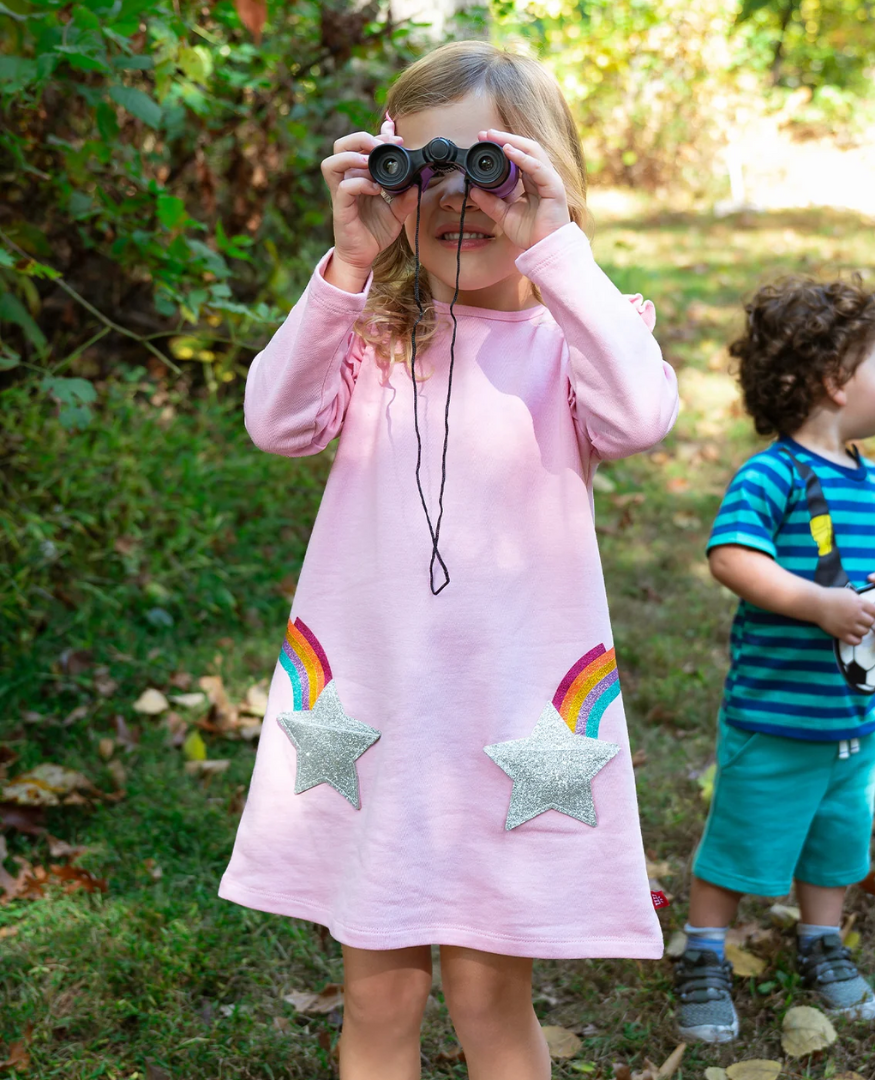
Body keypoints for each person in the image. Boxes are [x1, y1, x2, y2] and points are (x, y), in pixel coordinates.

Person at [217, 40, 678, 1080]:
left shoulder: (578, 339)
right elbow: (277, 423)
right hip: (376, 720)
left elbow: (639, 417)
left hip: (509, 730)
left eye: (490, 168)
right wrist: (346, 266)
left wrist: (557, 250)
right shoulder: (371, 332)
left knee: (487, 998)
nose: (457, 197)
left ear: (546, 182)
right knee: (376, 1000)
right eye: (423, 169)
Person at [674, 276, 875, 1043]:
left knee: (838, 840)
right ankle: (704, 952)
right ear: (836, 381)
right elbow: (731, 557)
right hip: (777, 715)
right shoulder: (772, 475)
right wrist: (816, 604)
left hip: (853, 717)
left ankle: (821, 940)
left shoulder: (873, 483)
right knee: (741, 838)